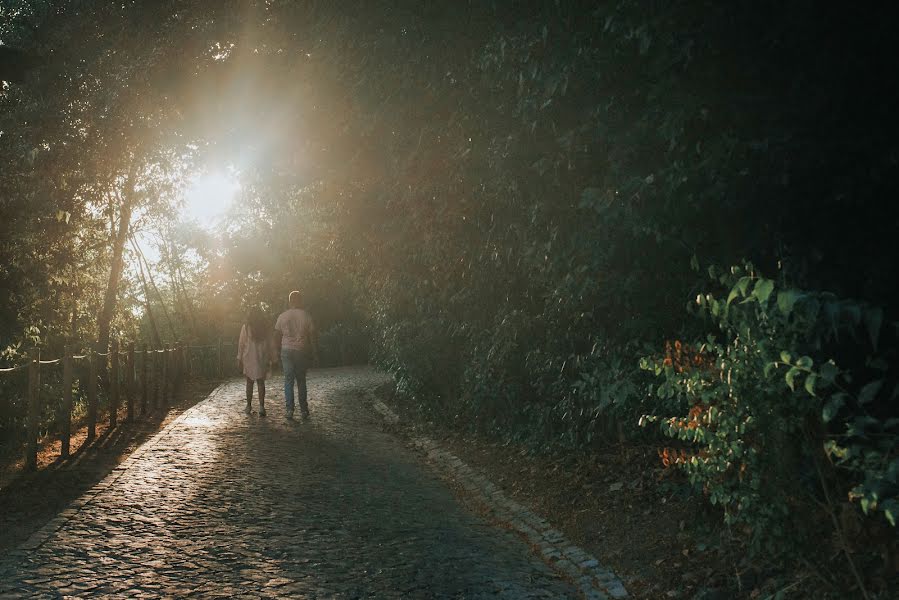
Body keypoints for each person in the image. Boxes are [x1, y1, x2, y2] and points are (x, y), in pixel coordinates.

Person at [274, 290, 319, 420]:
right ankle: (304, 410)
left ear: (289, 301)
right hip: (301, 350)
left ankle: (289, 409)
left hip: (286, 350)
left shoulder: (282, 316)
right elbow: (312, 335)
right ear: (300, 301)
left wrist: (276, 351)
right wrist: (315, 353)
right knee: (301, 380)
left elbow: (276, 335)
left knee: (288, 380)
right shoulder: (306, 316)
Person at [237, 307, 274, 416]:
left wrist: (239, 358)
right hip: (261, 357)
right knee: (261, 383)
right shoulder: (265, 328)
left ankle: (248, 406)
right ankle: (262, 407)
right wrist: (273, 358)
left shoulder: (246, 327)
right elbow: (270, 343)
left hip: (248, 357)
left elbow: (241, 343)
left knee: (249, 382)